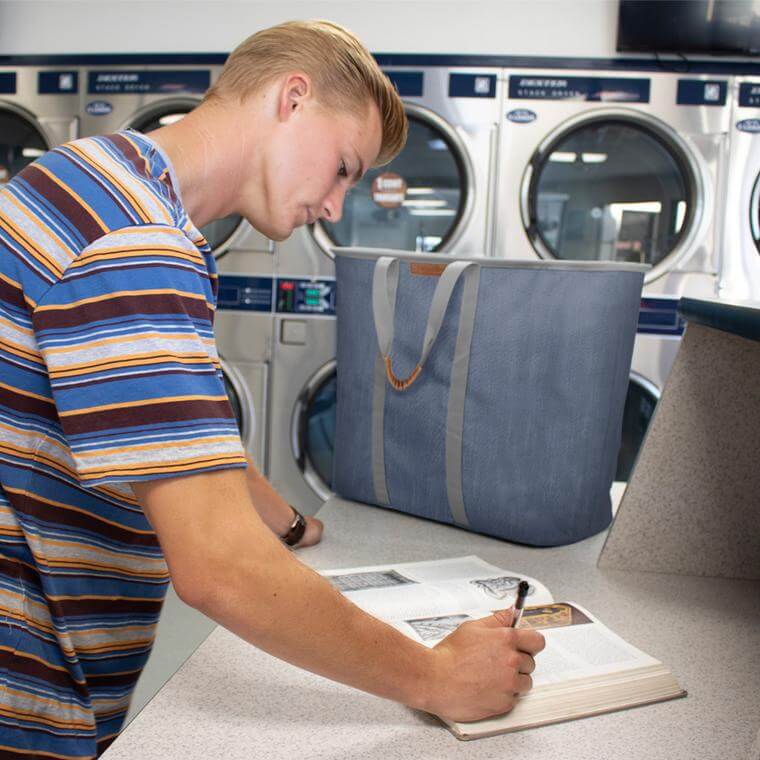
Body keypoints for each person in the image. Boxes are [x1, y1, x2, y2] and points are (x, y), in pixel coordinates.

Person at [0, 20, 545, 759]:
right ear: (293, 97)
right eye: (345, 167)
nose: (335, 206)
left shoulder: (91, 178)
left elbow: (175, 430)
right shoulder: (134, 241)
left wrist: (288, 524)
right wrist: (436, 675)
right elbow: (219, 570)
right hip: (26, 689)